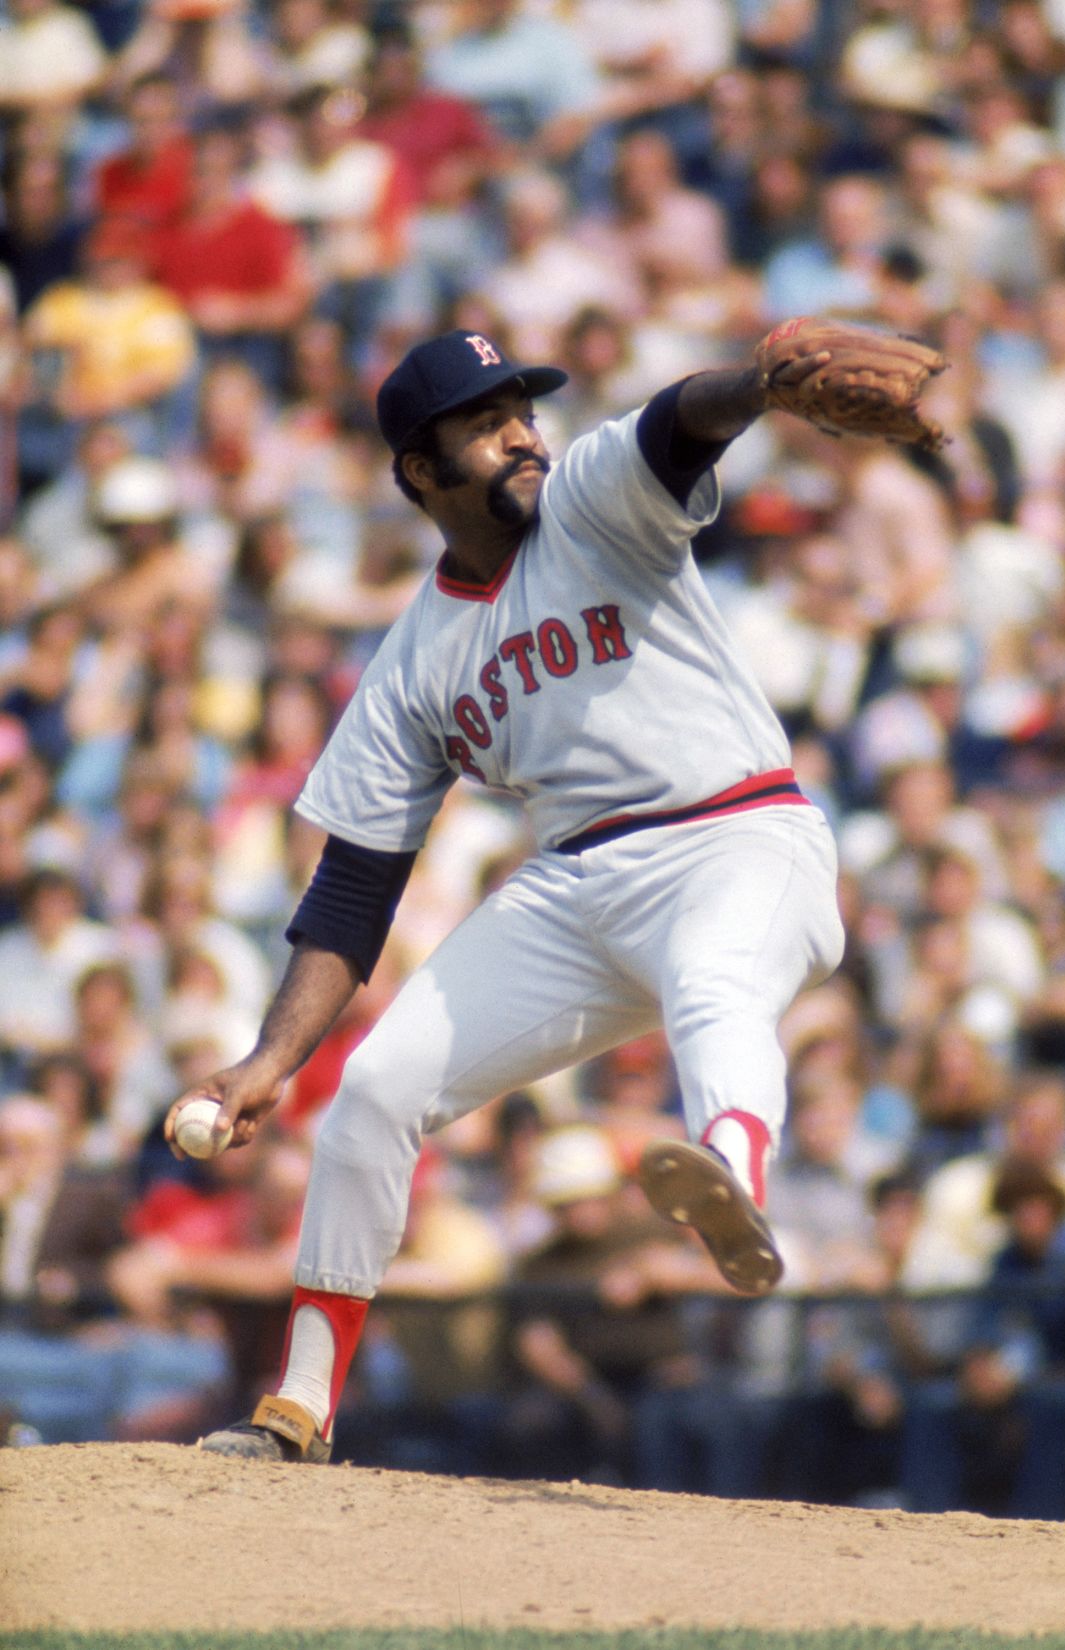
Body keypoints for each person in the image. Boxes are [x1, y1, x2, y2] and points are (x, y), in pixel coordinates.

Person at [165, 321, 846, 1464]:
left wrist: (762, 386)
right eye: (486, 423)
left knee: (714, 982)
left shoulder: (588, 500)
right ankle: (303, 1406)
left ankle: (730, 1172)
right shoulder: (413, 659)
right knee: (375, 1090)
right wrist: (269, 1063)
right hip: (575, 886)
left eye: (521, 409)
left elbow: (681, 424)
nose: (522, 434)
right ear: (420, 472)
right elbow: (353, 887)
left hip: (743, 836)